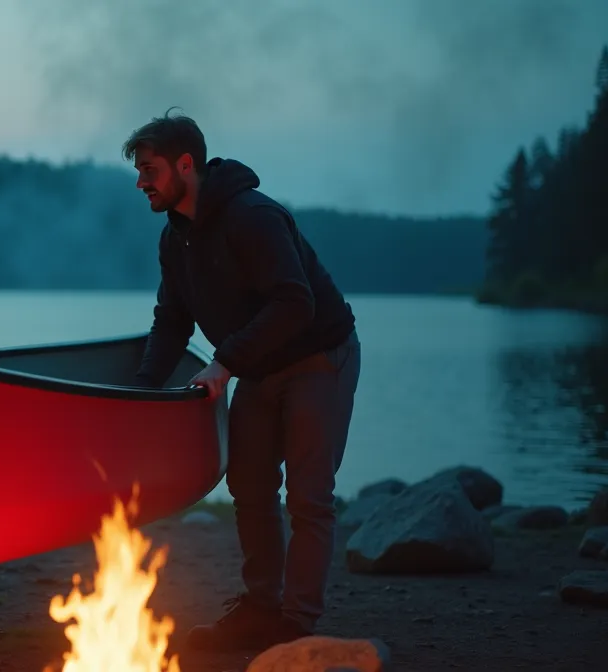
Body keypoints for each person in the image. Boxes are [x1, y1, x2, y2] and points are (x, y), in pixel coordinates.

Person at [124, 109, 361, 651]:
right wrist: (142, 392)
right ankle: (260, 608)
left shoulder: (252, 216)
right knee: (249, 485)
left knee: (309, 496)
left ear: (186, 164)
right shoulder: (175, 238)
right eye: (139, 172)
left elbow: (294, 303)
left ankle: (295, 624)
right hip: (258, 365)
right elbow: (172, 320)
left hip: (319, 357)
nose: (141, 183)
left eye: (150, 170)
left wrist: (224, 363)